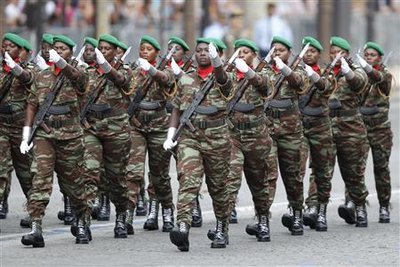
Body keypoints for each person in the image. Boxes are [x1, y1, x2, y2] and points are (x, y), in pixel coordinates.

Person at [20, 34, 91, 247]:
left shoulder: (80, 73)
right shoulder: (42, 76)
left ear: (71, 51)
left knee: (75, 185)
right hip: (45, 135)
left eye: (63, 48)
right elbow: (32, 104)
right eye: (55, 48)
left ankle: (81, 220)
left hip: (70, 137)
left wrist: (63, 65)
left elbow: (80, 81)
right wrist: (27, 134)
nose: (58, 51)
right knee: (39, 179)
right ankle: (36, 227)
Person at [164, 38, 232, 251]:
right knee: (188, 181)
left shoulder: (223, 76)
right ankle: (182, 226)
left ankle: (222, 227)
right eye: (199, 50)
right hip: (190, 138)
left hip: (217, 139)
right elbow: (177, 108)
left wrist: (217, 61)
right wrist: (171, 134)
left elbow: (225, 84)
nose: (202, 53)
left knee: (218, 186)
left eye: (207, 51)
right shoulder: (185, 79)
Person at [80, 34, 132, 238]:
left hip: (116, 129)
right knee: (89, 173)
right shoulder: (88, 72)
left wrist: (106, 67)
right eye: (100, 47)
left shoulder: (125, 71)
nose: (102, 51)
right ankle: (83, 221)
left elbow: (121, 81)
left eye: (107, 48)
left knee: (116, 178)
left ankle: (121, 214)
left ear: (115, 51)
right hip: (92, 127)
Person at [223, 39, 273, 242]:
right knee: (230, 180)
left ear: (254, 55)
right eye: (238, 52)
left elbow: (264, 87)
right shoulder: (229, 76)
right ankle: (222, 227)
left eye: (245, 52)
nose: (241, 54)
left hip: (256, 137)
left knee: (258, 182)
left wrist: (249, 73)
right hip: (233, 135)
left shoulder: (264, 74)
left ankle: (263, 220)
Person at [125, 35, 175, 234]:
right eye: (142, 48)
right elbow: (125, 94)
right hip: (137, 125)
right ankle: (126, 214)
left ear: (157, 53)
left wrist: (151, 69)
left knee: (159, 174)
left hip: (159, 126)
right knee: (133, 172)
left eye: (149, 49)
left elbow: (166, 80)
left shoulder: (166, 70)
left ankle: (166, 210)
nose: (144, 51)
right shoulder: (134, 72)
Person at [263, 36, 307, 236]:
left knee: (293, 175)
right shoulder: (263, 71)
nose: (277, 53)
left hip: (290, 130)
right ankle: (262, 218)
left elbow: (298, 83)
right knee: (267, 175)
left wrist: (284, 68)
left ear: (289, 53)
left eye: (281, 50)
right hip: (268, 129)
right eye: (274, 50)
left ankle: (297, 212)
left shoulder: (298, 70)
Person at [327, 36, 369, 227]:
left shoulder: (356, 70)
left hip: (350, 127)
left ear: (347, 54)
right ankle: (316, 209)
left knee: (352, 172)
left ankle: (360, 205)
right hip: (327, 126)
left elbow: (360, 83)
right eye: (333, 52)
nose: (336, 55)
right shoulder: (326, 72)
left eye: (340, 52)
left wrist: (348, 73)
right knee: (321, 171)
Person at [298, 37, 335, 231]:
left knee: (322, 171)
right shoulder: (294, 74)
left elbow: (325, 88)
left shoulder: (327, 74)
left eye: (312, 51)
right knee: (297, 169)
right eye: (305, 50)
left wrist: (313, 76)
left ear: (319, 54)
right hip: (300, 127)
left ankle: (321, 209)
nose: (309, 54)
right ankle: (299, 210)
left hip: (321, 127)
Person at [0, 33, 35, 222]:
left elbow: (29, 79)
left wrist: (15, 68)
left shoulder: (29, 69)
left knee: (26, 172)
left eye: (11, 46)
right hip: (1, 126)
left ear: (21, 52)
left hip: (20, 128)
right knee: (1, 168)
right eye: (4, 45)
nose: (6, 49)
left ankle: (34, 209)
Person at [357, 42, 393, 223]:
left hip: (380, 129)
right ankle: (357, 205)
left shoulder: (385, 75)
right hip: (361, 127)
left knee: (381, 169)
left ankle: (384, 205)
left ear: (379, 58)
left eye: (372, 55)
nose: (368, 57)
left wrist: (367, 70)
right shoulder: (359, 76)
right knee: (356, 168)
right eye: (366, 55)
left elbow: (379, 78)